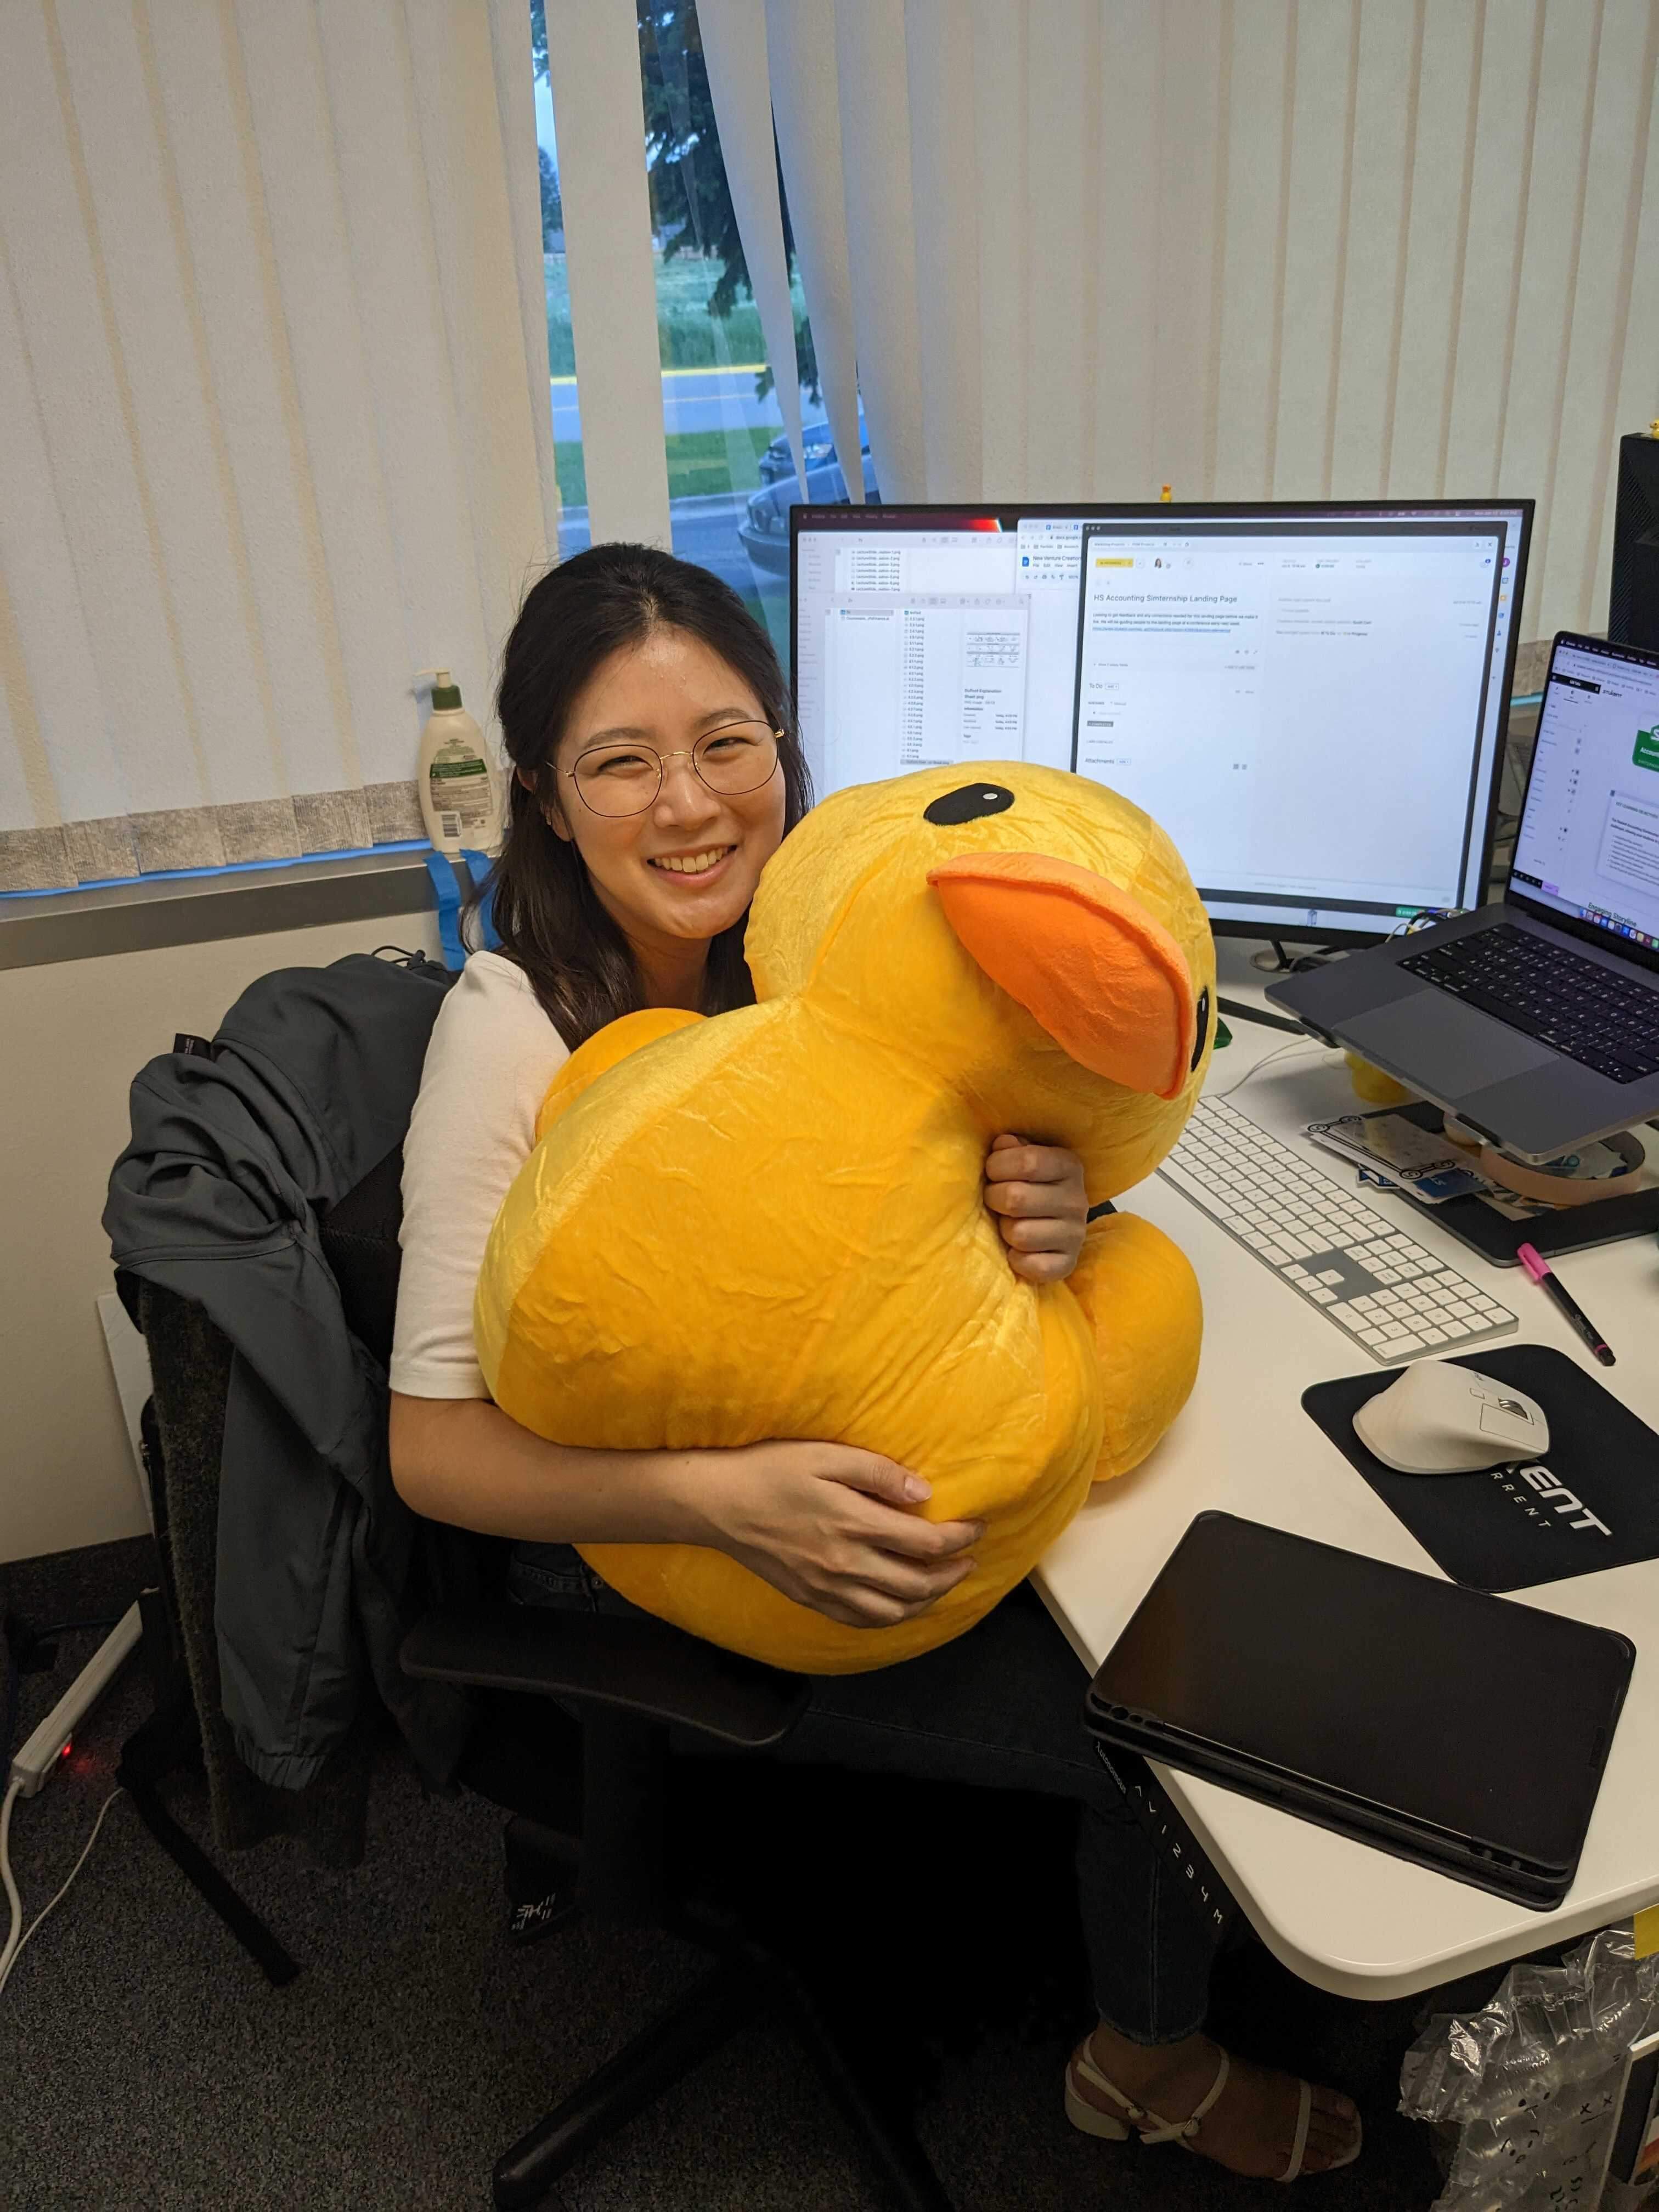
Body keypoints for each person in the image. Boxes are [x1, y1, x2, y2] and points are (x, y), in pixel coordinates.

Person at [388, 543, 1362, 2182]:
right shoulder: (515, 1024)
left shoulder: (819, 958)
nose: (690, 804)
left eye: (727, 743)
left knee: (1201, 1566)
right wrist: (721, 1501)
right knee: (1172, 1719)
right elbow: (432, 1453)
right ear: (550, 804)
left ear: (785, 746)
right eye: (622, 762)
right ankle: (1146, 2061)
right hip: (633, 1545)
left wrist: (1051, 1197)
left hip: (871, 1458)